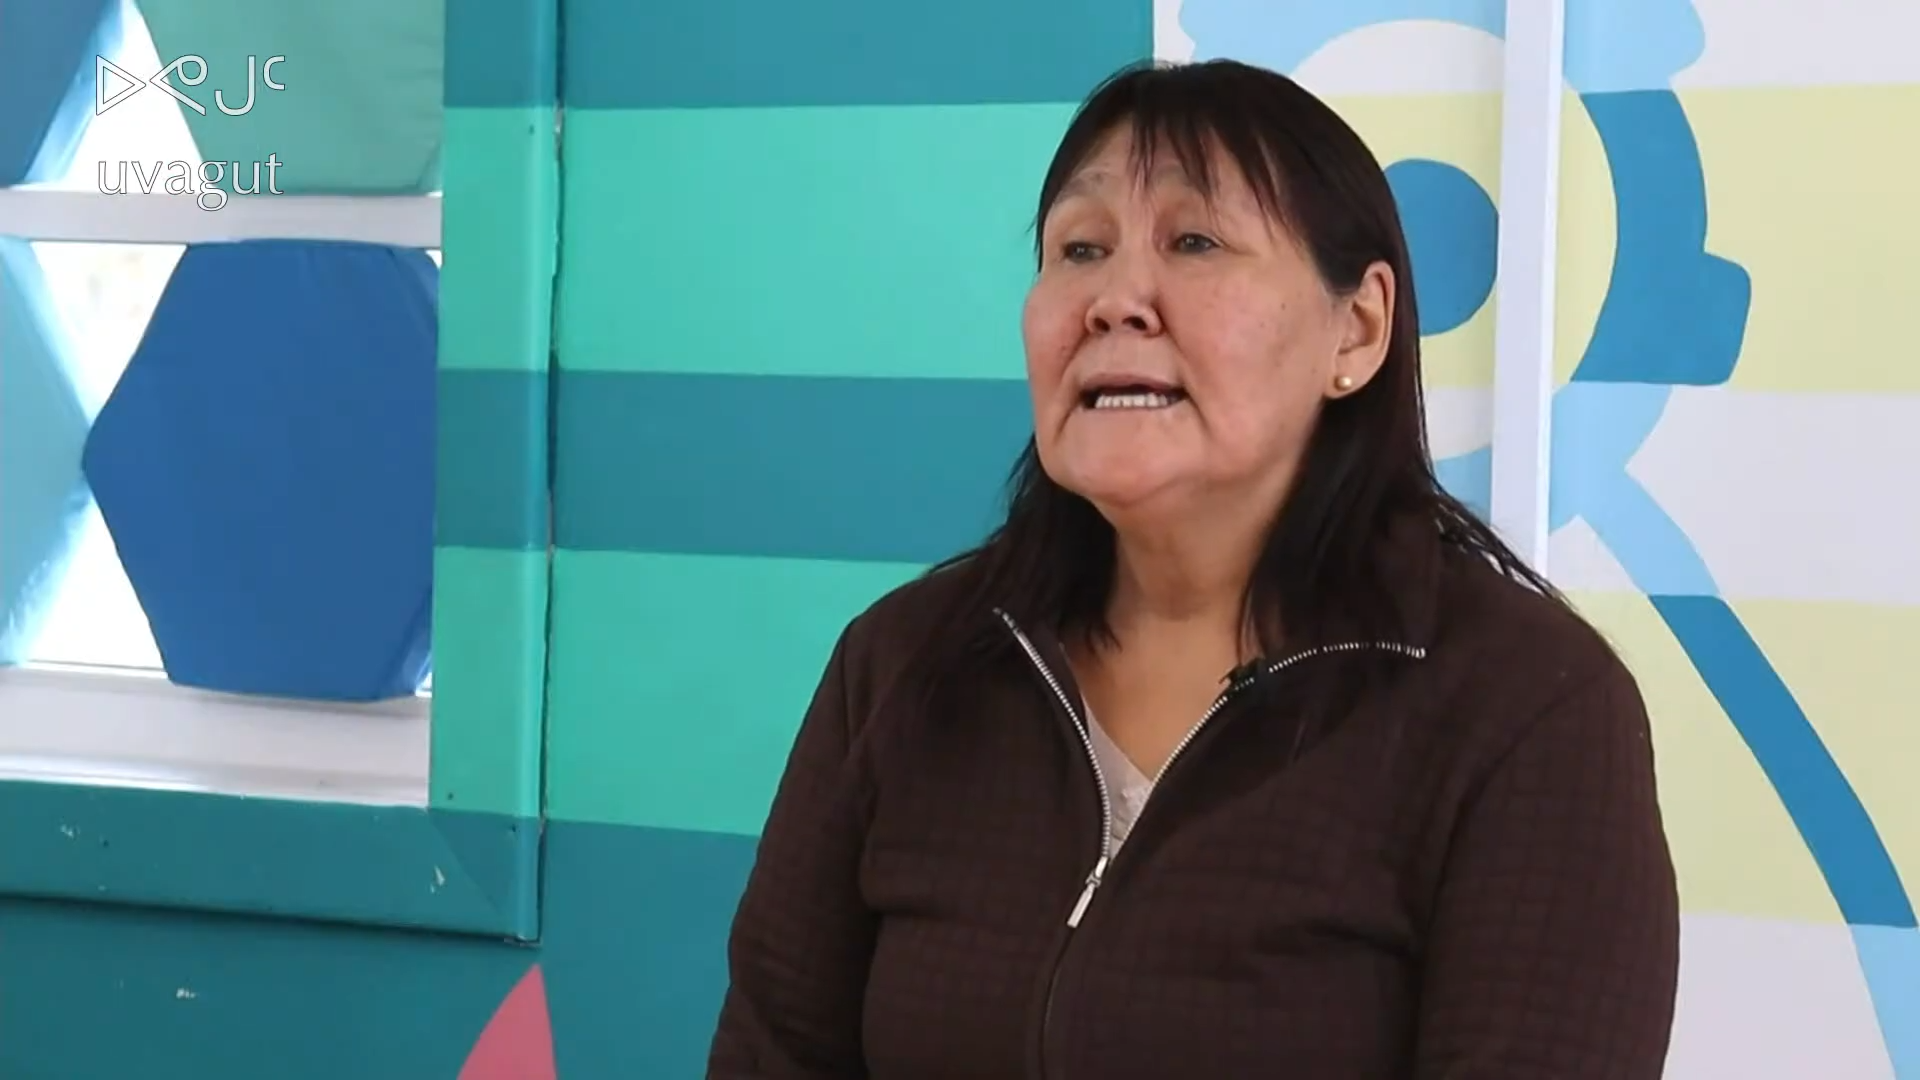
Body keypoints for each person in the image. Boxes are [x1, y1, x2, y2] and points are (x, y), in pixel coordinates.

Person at [707, 58, 1680, 1079]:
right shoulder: (903, 663)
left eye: (1195, 241)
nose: (1115, 300)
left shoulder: (1525, 706)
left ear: (1357, 329)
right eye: (1080, 249)